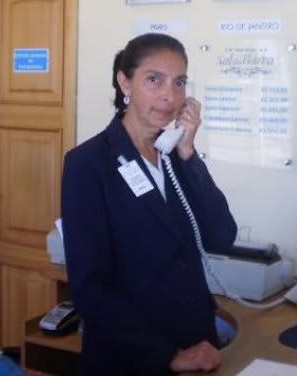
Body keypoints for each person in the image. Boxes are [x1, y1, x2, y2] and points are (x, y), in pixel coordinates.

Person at [61, 33, 238, 375]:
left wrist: (189, 154)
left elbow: (221, 236)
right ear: (124, 81)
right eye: (154, 80)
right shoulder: (89, 163)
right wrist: (168, 354)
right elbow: (90, 287)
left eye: (179, 82)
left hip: (196, 343)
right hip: (133, 356)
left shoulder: (174, 155)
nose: (169, 96)